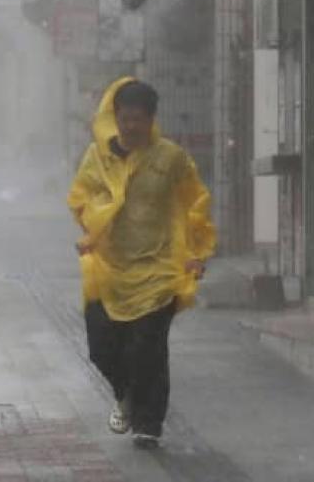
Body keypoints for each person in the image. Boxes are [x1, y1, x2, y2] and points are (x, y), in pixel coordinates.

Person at [67, 78, 216, 450]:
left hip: (159, 268)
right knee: (101, 346)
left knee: (148, 349)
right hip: (110, 270)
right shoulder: (97, 157)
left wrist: (196, 254)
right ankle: (127, 393)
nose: (130, 126)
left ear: (151, 119)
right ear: (114, 118)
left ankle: (149, 423)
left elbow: (194, 205)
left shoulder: (171, 158)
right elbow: (80, 199)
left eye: (138, 118)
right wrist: (96, 220)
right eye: (124, 118)